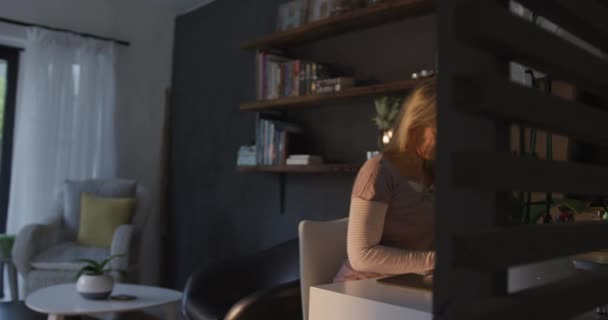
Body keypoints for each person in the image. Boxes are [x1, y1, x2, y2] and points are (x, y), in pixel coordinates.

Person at [334, 78, 436, 282]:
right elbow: (361, 256)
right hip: (362, 291)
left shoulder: (432, 172)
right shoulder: (378, 171)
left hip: (405, 285)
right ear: (415, 126)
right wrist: (434, 261)